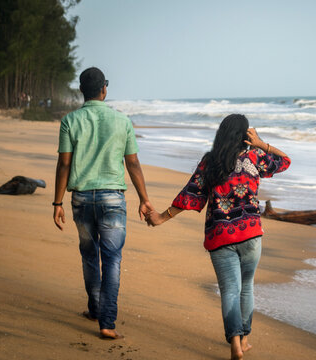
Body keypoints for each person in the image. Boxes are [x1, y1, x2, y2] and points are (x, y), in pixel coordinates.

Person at [146, 114, 290, 360]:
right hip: (251, 235)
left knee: (230, 290)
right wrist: (260, 143)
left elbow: (191, 195)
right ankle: (244, 340)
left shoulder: (211, 161)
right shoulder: (254, 156)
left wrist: (161, 217)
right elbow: (285, 160)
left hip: (220, 235)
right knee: (247, 287)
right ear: (245, 134)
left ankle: (235, 342)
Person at [53, 67, 152, 340]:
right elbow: (132, 162)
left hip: (82, 199)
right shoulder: (122, 121)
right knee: (112, 259)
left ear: (81, 91)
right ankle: (106, 322)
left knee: (88, 255)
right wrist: (144, 199)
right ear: (104, 89)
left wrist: (57, 202)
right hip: (112, 199)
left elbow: (64, 163)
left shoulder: (70, 121)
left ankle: (95, 309)